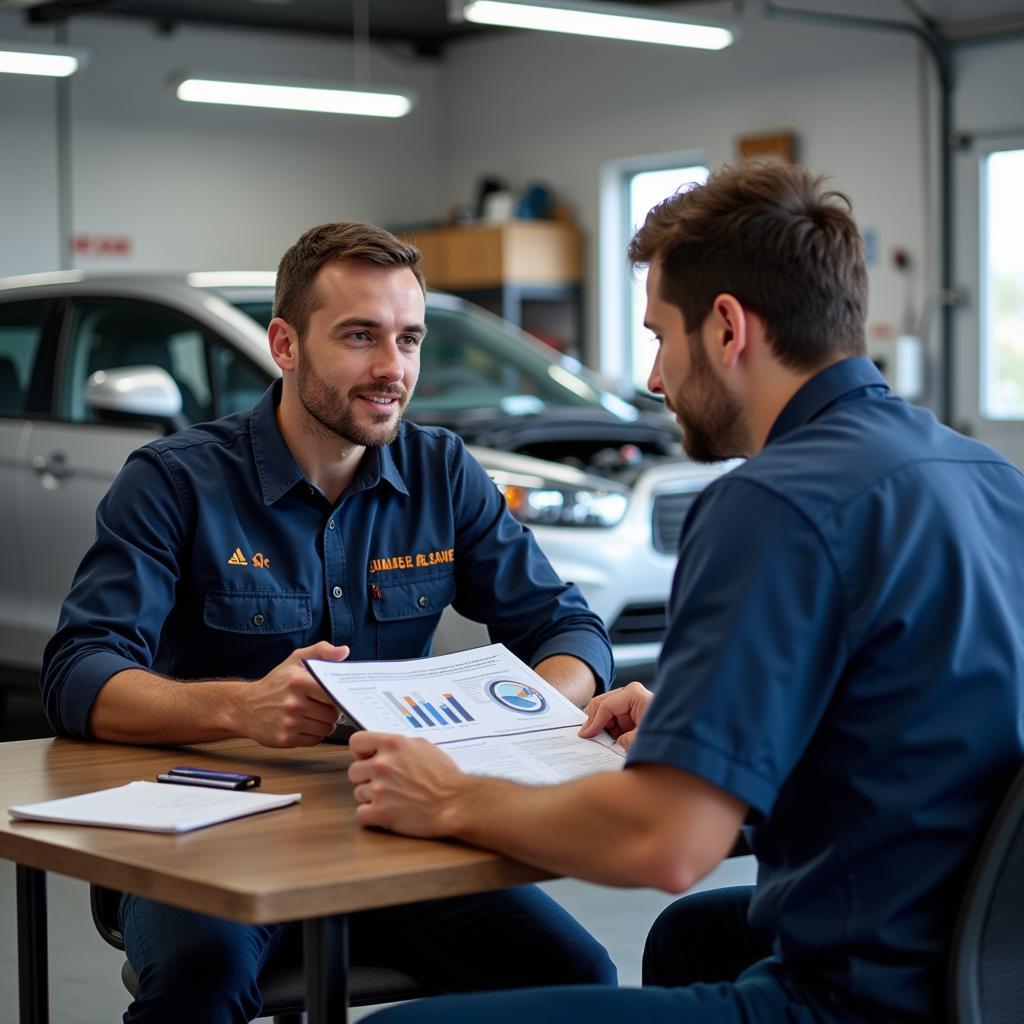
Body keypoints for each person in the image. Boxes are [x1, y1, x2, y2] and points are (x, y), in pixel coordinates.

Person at [346, 162, 1024, 1024]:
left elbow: (664, 843)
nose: (657, 378)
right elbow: (905, 733)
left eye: (660, 336)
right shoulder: (988, 474)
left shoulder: (770, 503)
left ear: (728, 327)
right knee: (691, 940)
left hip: (855, 999)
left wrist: (449, 795)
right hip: (982, 963)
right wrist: (693, 725)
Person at [40, 222, 617, 1023]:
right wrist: (236, 707)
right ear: (284, 343)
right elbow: (77, 675)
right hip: (209, 834)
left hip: (392, 826)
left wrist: (522, 716)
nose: (393, 369)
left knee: (578, 978)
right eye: (360, 337)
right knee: (199, 981)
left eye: (409, 339)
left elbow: (568, 630)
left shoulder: (443, 472)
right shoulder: (172, 482)